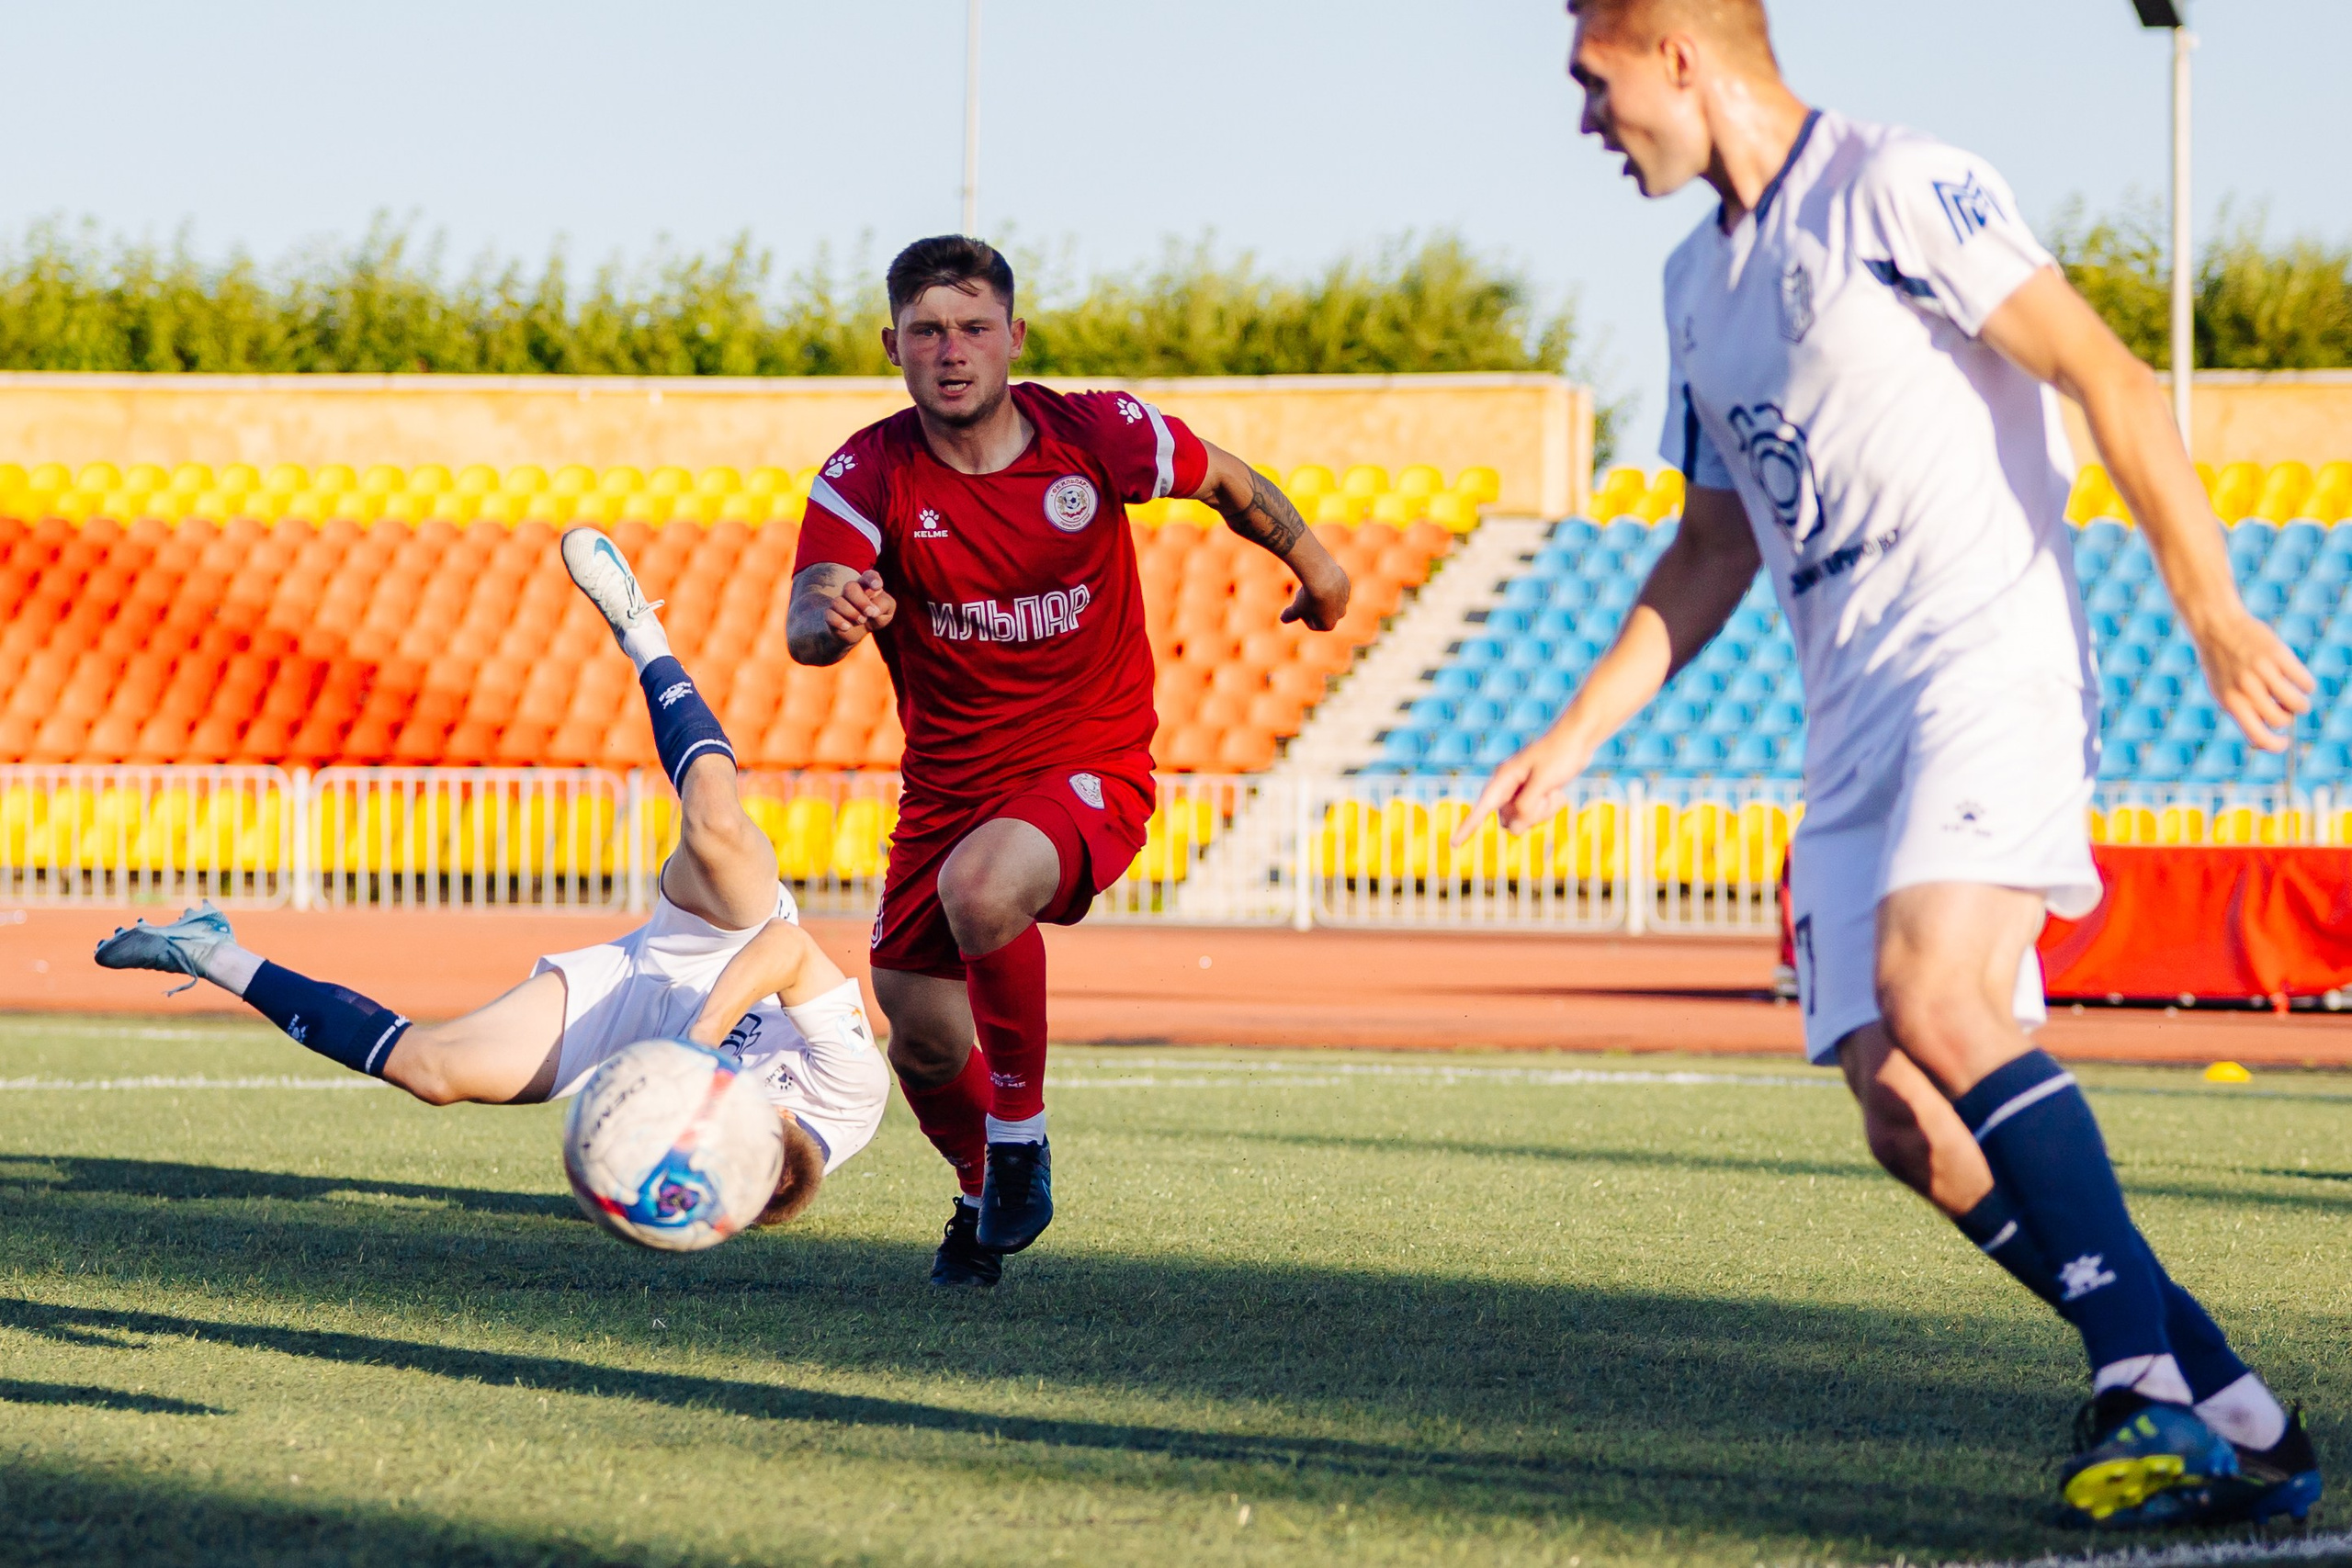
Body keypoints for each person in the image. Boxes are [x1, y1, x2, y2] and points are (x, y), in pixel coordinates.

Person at [1460, 0, 2322, 1529]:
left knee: (1942, 991)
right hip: (1846, 716)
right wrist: (1578, 730)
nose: (1585, 122)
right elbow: (1713, 545)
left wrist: (2210, 605)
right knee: (1903, 1117)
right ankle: (2239, 1410)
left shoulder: (1894, 182)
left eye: (1594, 84)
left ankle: (2141, 1389)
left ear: (1679, 55)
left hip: (1985, 660)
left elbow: (2108, 375)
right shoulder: (1689, 283)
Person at [789, 234, 1351, 1287]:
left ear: (1013, 338)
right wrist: (835, 613)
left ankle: (1019, 1139)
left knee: (984, 884)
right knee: (911, 1025)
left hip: (1089, 762)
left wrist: (1317, 567)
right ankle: (976, 1196)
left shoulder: (1097, 432)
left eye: (971, 327)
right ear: (892, 346)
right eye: (925, 331)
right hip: (945, 785)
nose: (950, 351)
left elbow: (1226, 480)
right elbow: (806, 621)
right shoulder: (866, 471)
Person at [96, 531, 890, 1226]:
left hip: (637, 1019)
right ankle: (642, 630)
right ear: (775, 1126)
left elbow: (633, 1160)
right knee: (717, 825)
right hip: (727, 941)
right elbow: (786, 949)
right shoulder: (849, 1091)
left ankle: (208, 953)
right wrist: (702, 1044)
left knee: (433, 1071)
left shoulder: (720, 1182)